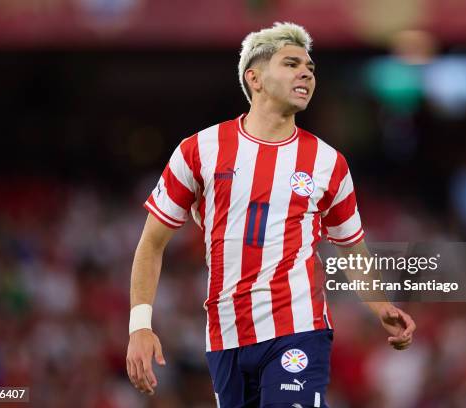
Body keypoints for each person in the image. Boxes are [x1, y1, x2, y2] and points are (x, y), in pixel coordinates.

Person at [126, 22, 416, 407]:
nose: (306, 74)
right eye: (291, 64)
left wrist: (380, 306)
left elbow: (351, 247)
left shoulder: (328, 163)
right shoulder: (200, 150)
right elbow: (151, 243)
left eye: (310, 68)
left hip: (298, 327)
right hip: (225, 335)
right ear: (255, 78)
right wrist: (139, 326)